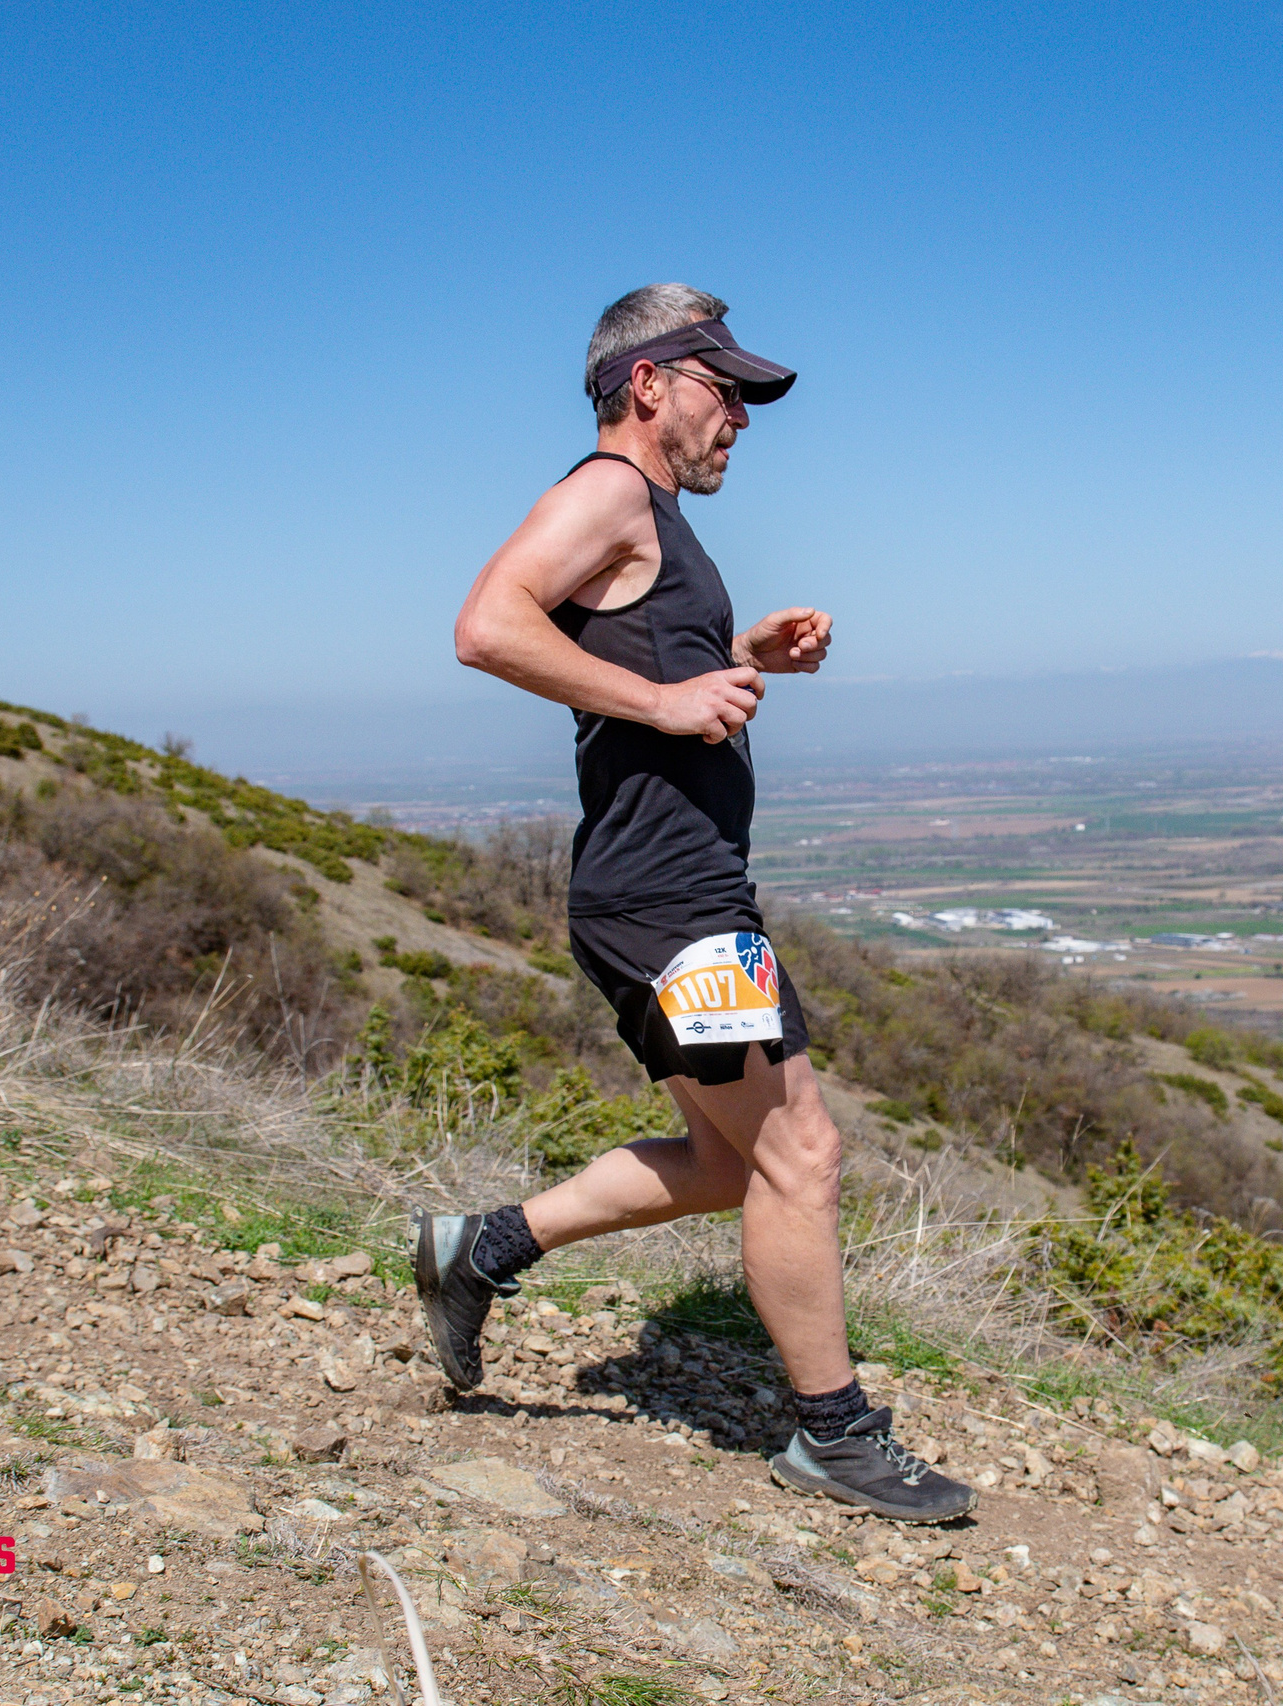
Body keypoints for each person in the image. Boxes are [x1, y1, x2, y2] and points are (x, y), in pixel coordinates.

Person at [412, 284, 973, 1524]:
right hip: (667, 895)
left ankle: (480, 1248)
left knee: (735, 1162)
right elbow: (483, 624)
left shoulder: (650, 520)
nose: (742, 419)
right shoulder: (608, 489)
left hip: (678, 887)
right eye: (726, 390)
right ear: (649, 382)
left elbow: (623, 658)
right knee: (798, 1150)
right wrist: (669, 705)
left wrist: (742, 655)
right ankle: (835, 1434)